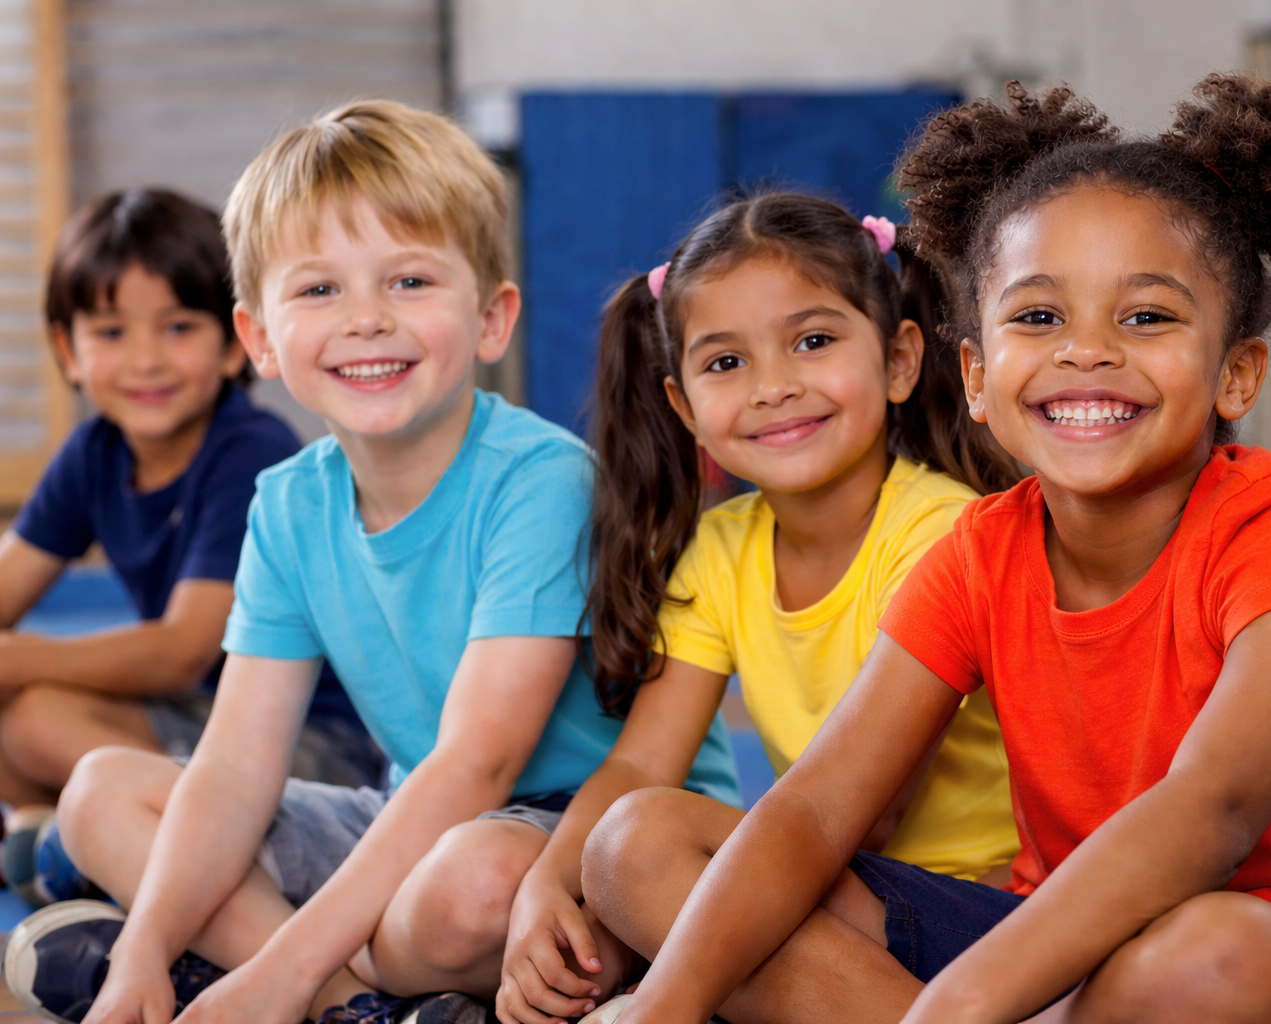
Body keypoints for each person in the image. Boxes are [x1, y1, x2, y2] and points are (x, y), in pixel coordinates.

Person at [580, 75, 1271, 1024]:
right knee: (637, 849)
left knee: (1201, 960)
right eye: (1037, 317)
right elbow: (815, 808)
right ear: (975, 374)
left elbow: (1212, 815)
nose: (1086, 351)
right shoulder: (981, 551)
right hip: (1072, 956)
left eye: (1145, 317)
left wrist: (959, 1005)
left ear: (1237, 372)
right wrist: (667, 1008)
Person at [10, 100, 738, 1024]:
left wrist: (269, 975)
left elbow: (479, 764)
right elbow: (235, 767)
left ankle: (276, 974)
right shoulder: (286, 502)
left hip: (586, 838)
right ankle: (351, 1003)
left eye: (408, 281)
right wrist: (141, 959)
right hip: (408, 825)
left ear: (491, 317)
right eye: (318, 291)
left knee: (472, 884)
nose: (364, 320)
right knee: (101, 790)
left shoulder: (542, 480)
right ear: (259, 339)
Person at [495, 192, 1021, 1024]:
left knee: (645, 853)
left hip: (981, 915)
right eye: (725, 363)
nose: (774, 387)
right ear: (683, 408)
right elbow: (639, 765)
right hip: (841, 893)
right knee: (620, 855)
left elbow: (866, 812)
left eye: (812, 342)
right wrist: (543, 888)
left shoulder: (943, 533)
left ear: (899, 360)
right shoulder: (722, 551)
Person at [0, 189, 379, 901]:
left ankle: (142, 853)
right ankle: (74, 846)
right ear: (68, 349)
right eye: (111, 333)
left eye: (177, 327)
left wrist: (16, 657)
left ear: (236, 343)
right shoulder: (94, 452)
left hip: (310, 742)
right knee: (18, 719)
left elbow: (185, 647)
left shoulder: (250, 450)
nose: (145, 361)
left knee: (32, 705)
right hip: (190, 719)